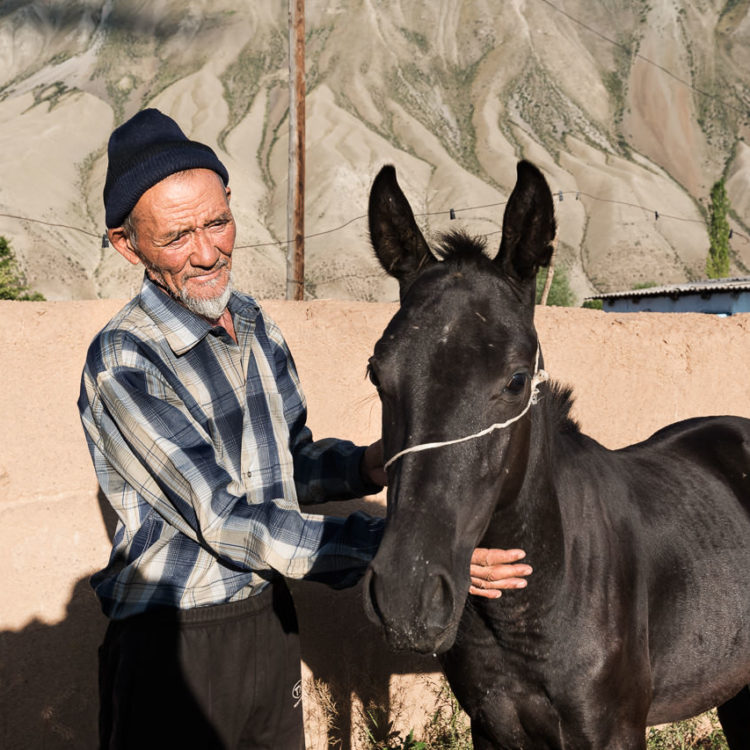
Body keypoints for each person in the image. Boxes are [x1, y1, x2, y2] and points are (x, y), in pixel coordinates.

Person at [78, 108, 532, 749]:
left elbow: (286, 467)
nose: (207, 252)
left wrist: (369, 463)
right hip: (171, 643)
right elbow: (224, 518)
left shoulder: (252, 323)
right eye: (178, 236)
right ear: (128, 245)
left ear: (232, 204)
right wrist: (400, 550)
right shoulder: (126, 361)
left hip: (267, 621)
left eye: (217, 222)